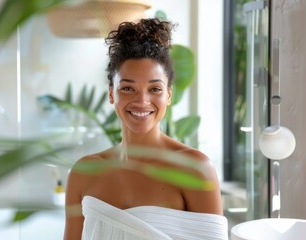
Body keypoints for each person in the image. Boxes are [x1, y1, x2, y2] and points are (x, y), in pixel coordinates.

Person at [64, 18, 228, 240]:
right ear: (112, 93)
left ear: (168, 95)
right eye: (128, 88)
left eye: (155, 89)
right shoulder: (83, 173)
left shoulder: (195, 169)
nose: (142, 101)